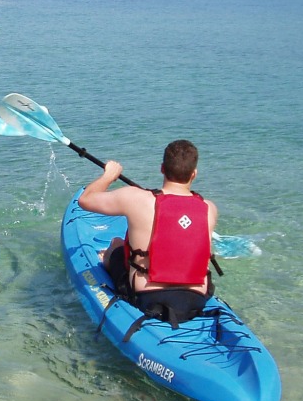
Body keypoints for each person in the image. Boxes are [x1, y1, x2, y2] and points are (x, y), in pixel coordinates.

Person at [77, 139, 219, 332]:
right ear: (194, 174)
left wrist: (109, 175)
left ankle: (107, 257)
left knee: (117, 245)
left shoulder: (135, 197)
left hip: (148, 298)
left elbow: (85, 200)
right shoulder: (209, 209)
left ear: (162, 168)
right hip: (195, 300)